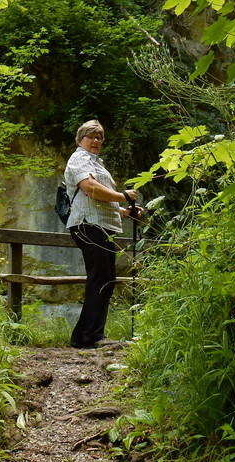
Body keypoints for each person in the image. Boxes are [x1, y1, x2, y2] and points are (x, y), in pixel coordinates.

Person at [64, 120, 141, 349]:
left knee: (106, 279)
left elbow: (95, 199)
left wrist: (123, 210)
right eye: (91, 136)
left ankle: (91, 334)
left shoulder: (96, 162)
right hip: (89, 225)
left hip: (100, 225)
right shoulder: (79, 158)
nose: (96, 141)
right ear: (80, 140)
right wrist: (123, 196)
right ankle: (87, 337)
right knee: (100, 278)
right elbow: (91, 189)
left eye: (100, 137)